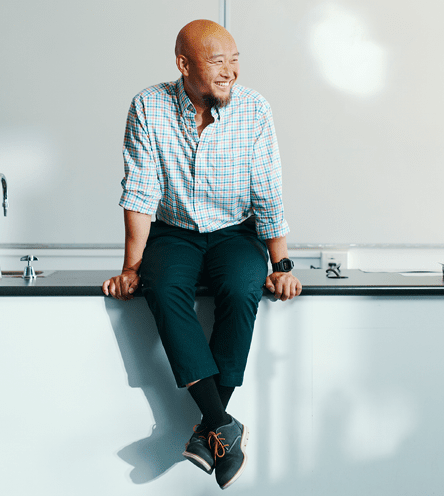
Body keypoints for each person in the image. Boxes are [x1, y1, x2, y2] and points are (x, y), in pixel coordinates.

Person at [102, 19, 301, 490]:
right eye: (217, 62)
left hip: (236, 232)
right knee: (164, 287)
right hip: (174, 233)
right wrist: (132, 267)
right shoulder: (148, 106)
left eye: (235, 60)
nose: (230, 71)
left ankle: (210, 430)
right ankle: (222, 425)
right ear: (183, 64)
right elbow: (140, 192)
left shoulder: (254, 109)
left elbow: (268, 190)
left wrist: (282, 265)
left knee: (240, 287)